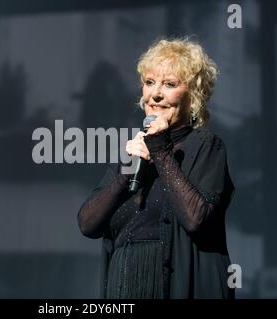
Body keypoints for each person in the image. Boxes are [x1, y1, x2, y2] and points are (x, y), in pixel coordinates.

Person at [77, 37, 235, 299]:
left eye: (170, 84)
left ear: (193, 96)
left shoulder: (205, 145)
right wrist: (125, 173)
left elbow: (196, 219)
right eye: (150, 83)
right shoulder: (133, 150)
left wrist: (161, 151)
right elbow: (87, 224)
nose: (155, 94)